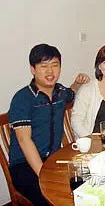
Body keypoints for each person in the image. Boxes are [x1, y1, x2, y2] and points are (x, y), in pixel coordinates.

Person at [8, 44, 90, 205]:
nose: (50, 71)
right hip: (25, 166)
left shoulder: (60, 92)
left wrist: (77, 83)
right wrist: (44, 175)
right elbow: (25, 141)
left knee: (91, 184)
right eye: (43, 66)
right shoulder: (22, 98)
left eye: (55, 65)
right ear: (33, 69)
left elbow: (70, 92)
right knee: (55, 198)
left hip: (54, 159)